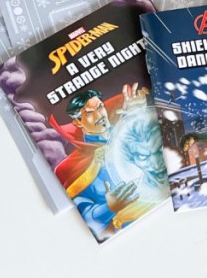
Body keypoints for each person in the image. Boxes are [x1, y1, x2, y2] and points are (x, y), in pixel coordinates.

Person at [50, 84, 146, 238]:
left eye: (100, 107)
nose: (99, 115)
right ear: (78, 122)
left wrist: (142, 115)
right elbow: (87, 217)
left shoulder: (129, 130)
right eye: (89, 113)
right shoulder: (71, 167)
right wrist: (109, 208)